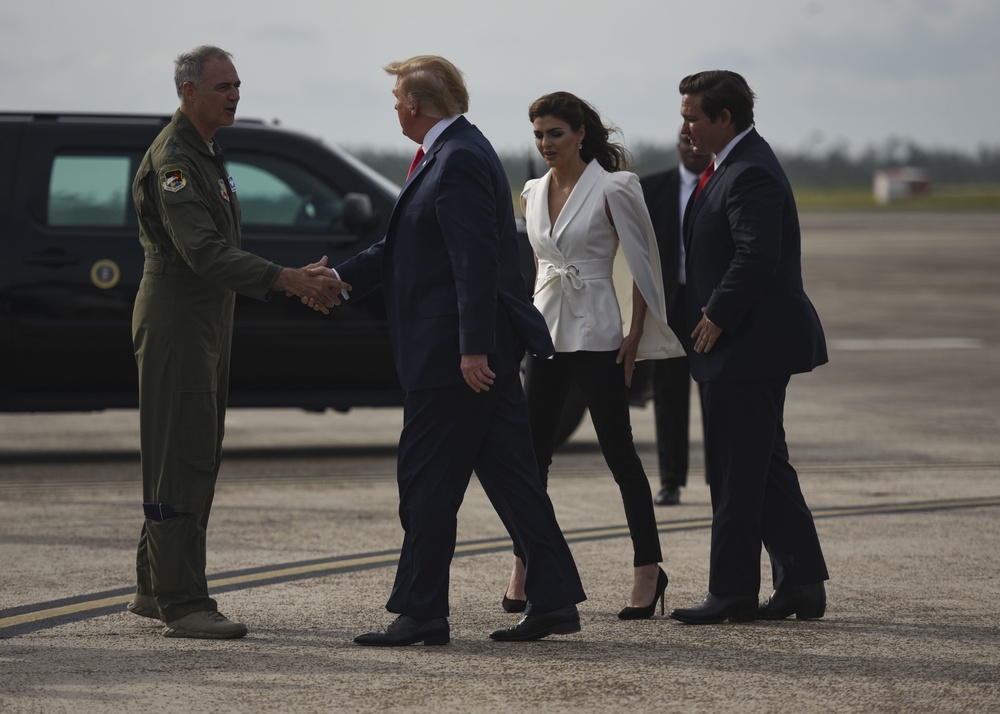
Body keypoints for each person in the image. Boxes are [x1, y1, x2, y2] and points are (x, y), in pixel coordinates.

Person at [313, 55, 586, 645]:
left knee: (426, 481)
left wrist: (472, 349)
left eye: (396, 100)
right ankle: (556, 598)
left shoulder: (457, 157)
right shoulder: (452, 151)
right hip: (465, 352)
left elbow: (473, 263)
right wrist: (342, 279)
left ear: (415, 105)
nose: (394, 108)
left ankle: (422, 610)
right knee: (515, 483)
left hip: (454, 358)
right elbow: (406, 244)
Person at [127, 45, 347, 639]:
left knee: (193, 445)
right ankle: (183, 601)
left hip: (204, 320)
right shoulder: (175, 159)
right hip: (178, 319)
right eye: (223, 86)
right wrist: (286, 279)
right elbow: (202, 251)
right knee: (183, 453)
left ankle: (154, 585)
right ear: (187, 91)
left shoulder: (206, 154)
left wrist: (289, 278)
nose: (234, 96)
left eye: (237, 85)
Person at [503, 92, 685, 621]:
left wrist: (635, 334)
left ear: (581, 132)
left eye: (554, 134)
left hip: (600, 335)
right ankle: (526, 564)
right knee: (530, 463)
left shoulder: (614, 186)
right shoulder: (532, 191)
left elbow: (642, 261)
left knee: (620, 457)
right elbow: (540, 265)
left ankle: (648, 570)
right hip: (545, 335)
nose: (545, 145)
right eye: (538, 135)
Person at [667, 71, 830, 625]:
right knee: (764, 468)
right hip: (740, 345)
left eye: (692, 116)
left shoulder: (750, 170)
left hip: (746, 345)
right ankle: (802, 585)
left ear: (724, 119)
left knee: (736, 471)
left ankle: (732, 590)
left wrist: (716, 315)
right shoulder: (731, 165)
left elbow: (757, 255)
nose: (684, 125)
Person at [640, 129, 713, 506]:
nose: (693, 148)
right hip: (668, 304)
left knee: (715, 393)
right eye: (686, 142)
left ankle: (719, 478)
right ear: (678, 147)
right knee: (668, 395)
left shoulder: (724, 183)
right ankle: (670, 480)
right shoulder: (651, 189)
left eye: (699, 142)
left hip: (711, 306)